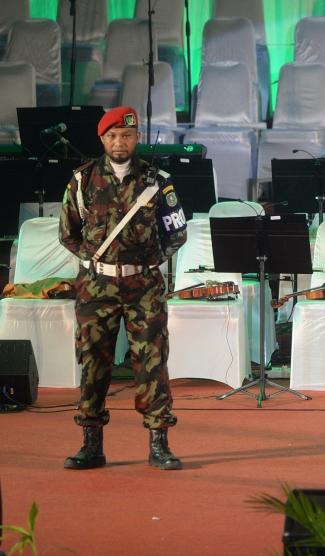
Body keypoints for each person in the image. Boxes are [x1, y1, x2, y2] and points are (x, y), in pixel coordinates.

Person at [59, 106, 188, 470]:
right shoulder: (82, 181)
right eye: (113, 136)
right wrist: (96, 262)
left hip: (143, 286)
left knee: (152, 363)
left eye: (127, 136)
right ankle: (91, 444)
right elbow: (67, 233)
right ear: (102, 139)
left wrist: (148, 261)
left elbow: (177, 231)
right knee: (92, 362)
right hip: (95, 287)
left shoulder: (157, 181)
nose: (120, 142)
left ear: (137, 138)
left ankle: (159, 444)